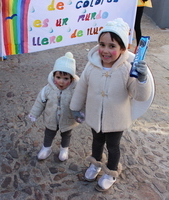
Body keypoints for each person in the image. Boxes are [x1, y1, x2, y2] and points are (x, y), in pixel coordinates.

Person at [70, 18, 152, 191]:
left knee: (113, 146)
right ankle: (96, 163)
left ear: (123, 48)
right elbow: (82, 87)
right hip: (94, 115)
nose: (105, 50)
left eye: (112, 46)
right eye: (102, 44)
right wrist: (75, 107)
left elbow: (140, 95)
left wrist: (142, 79)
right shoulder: (91, 66)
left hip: (116, 120)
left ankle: (111, 171)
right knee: (96, 142)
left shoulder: (126, 69)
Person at [29, 52, 79, 161]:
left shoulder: (75, 91)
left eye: (66, 78)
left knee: (66, 135)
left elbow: (79, 104)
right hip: (51, 118)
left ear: (72, 79)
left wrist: (80, 115)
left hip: (67, 120)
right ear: (53, 76)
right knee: (48, 134)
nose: (61, 81)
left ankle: (64, 149)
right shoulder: (47, 89)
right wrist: (34, 114)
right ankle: (46, 148)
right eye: (58, 77)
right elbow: (39, 102)